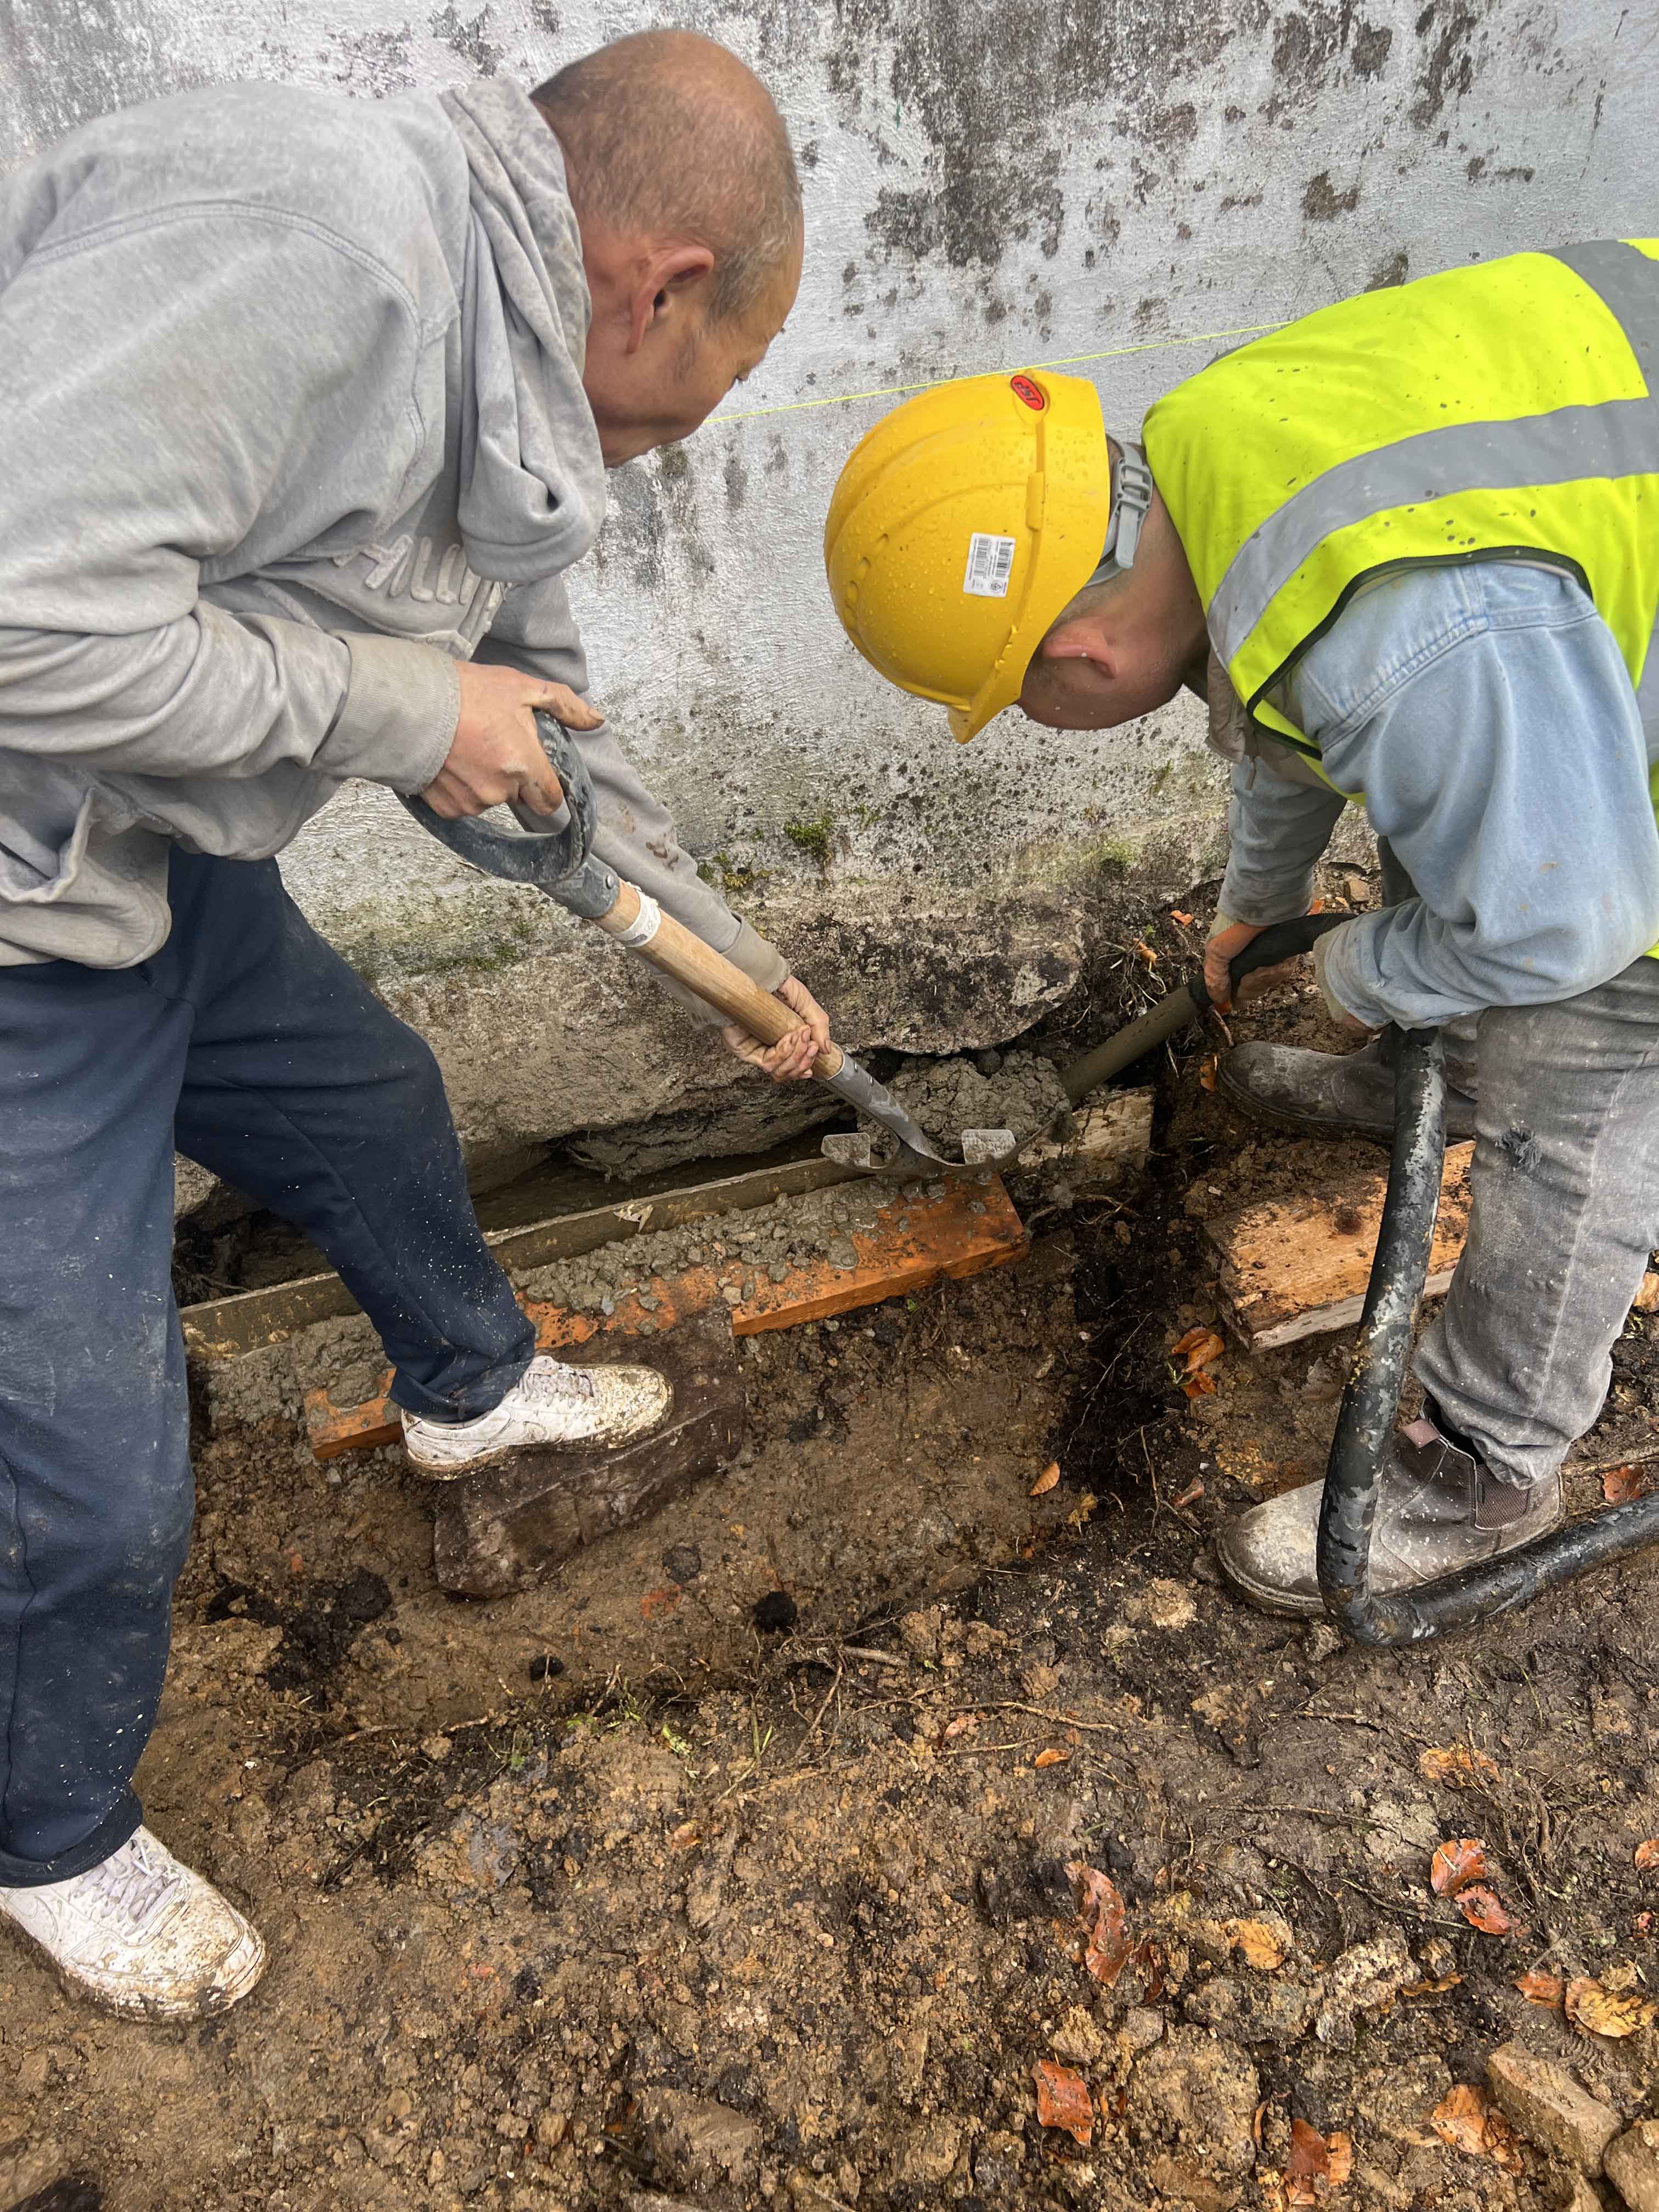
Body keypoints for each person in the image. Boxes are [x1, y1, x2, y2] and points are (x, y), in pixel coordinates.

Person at [0, 29, 831, 2018]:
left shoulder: (499, 365)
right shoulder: (325, 239)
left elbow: (529, 723)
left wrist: (723, 954)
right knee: (89, 1469)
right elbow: (25, 618)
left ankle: (468, 1393)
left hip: (152, 869)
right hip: (18, 932)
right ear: (661, 284)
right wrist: (399, 712)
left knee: (374, 1107)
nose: (657, 455)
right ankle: (51, 1832)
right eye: (687, 415)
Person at [824, 241, 1659, 1628]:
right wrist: (1256, 909)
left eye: (1013, 700)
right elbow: (1281, 696)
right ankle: (1442, 1073)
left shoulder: (1397, 643)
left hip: (1599, 842)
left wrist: (1354, 969)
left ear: (1082, 661)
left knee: (1585, 1055)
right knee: (1478, 842)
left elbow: (1573, 925)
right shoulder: (1220, 452)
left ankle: (1485, 1472)